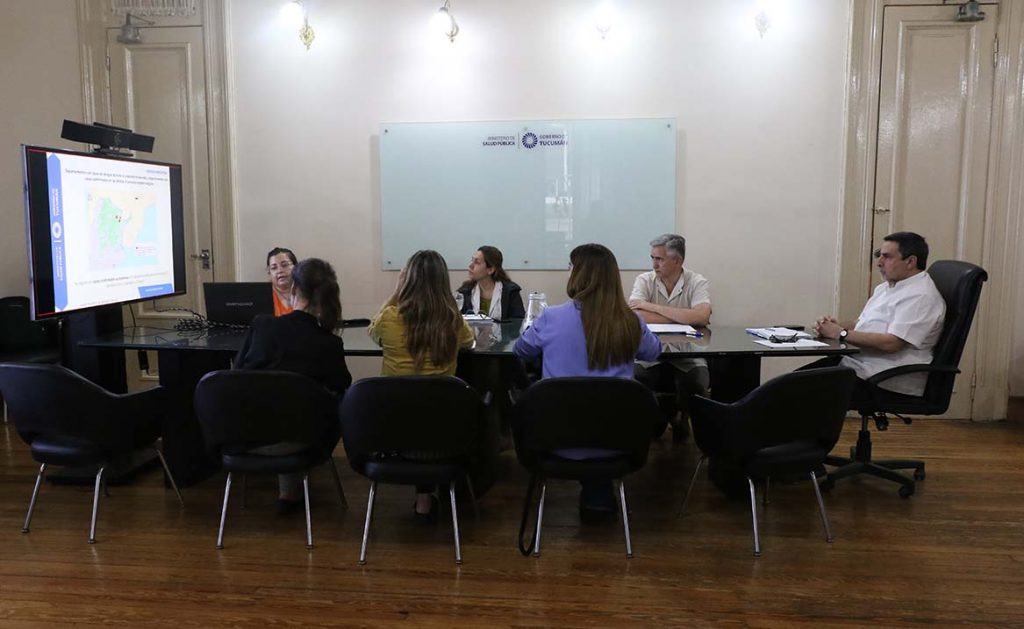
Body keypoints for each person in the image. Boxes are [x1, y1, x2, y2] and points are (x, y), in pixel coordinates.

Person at [513, 243, 661, 521]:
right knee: (598, 415)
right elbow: (653, 352)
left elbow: (521, 350)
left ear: (579, 274)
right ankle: (598, 492)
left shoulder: (551, 317)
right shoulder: (630, 321)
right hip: (617, 438)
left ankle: (596, 491)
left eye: (570, 267)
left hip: (555, 436)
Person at [234, 257, 352, 514]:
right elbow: (342, 386)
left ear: (294, 289)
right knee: (315, 404)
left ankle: (289, 492)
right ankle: (289, 492)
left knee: (279, 401)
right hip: (301, 441)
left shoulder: (262, 325)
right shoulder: (329, 344)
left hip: (243, 435)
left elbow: (238, 373)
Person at [368, 250, 475, 520]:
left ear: (407, 280)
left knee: (413, 409)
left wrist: (396, 292)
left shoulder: (389, 318)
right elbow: (469, 341)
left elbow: (372, 330)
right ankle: (430, 497)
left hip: (392, 430)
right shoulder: (453, 321)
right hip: (443, 433)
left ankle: (423, 499)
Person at [811, 231, 945, 400]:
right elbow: (862, 323)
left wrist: (840, 333)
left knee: (796, 393)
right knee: (788, 385)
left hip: (886, 378)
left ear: (911, 261)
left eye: (887, 257)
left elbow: (892, 343)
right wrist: (831, 327)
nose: (879, 263)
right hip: (859, 365)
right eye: (879, 256)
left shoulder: (921, 296)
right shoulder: (887, 287)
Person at [628, 234, 712, 439]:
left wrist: (652, 307)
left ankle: (683, 417)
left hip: (689, 354)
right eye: (653, 258)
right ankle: (660, 419)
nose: (654, 264)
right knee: (636, 378)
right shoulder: (644, 280)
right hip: (650, 353)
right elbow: (635, 315)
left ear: (677, 261)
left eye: (659, 259)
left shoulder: (697, 281)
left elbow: (702, 316)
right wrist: (684, 317)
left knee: (697, 380)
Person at [456, 246, 526, 320]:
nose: (470, 266)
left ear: (491, 270)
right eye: (472, 261)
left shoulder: (511, 292)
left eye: (477, 262)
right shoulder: (465, 291)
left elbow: (517, 322)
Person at [266, 246, 298, 317]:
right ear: (269, 272)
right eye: (274, 268)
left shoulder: (305, 292)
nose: (279, 271)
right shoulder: (264, 295)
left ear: (296, 267)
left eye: (284, 265)